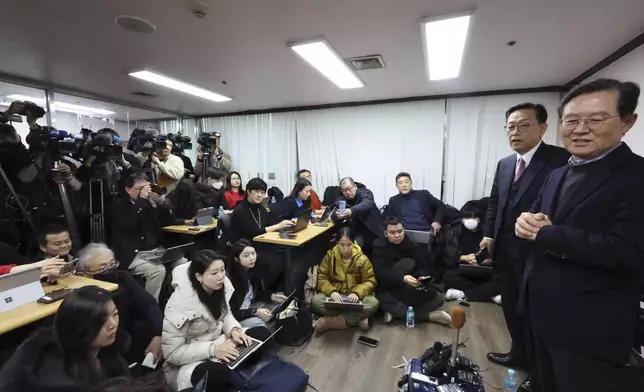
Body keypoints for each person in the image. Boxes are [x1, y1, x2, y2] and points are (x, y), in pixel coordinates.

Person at [515, 79, 644, 392]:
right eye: (571, 120)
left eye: (596, 119)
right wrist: (524, 222)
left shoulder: (636, 176)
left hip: (589, 326)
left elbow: (631, 253)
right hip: (540, 312)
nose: (580, 129)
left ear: (628, 122)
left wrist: (547, 234)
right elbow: (535, 216)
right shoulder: (558, 172)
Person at [481, 102, 569, 391]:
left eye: (523, 125)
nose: (515, 132)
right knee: (510, 306)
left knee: (535, 312)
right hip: (505, 249)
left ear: (543, 128)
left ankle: (539, 370)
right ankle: (518, 353)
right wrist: (489, 236)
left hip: (537, 252)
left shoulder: (560, 160)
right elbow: (495, 203)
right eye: (510, 126)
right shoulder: (505, 164)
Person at [162, 250, 270, 392]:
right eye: (214, 273)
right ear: (199, 276)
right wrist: (213, 350)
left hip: (220, 341)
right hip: (191, 360)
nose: (221, 277)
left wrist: (234, 330)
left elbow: (226, 315)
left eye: (222, 270)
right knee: (217, 375)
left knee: (262, 335)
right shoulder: (179, 304)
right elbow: (172, 354)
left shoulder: (220, 287)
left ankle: (238, 375)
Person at [0, 286, 130, 392]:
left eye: (115, 314)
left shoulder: (105, 347)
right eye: (101, 320)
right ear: (79, 327)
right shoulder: (56, 380)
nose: (113, 324)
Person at [76, 243, 163, 366]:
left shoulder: (122, 277)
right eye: (103, 268)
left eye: (112, 264)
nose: (110, 270)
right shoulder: (80, 296)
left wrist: (158, 334)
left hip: (128, 334)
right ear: (83, 274)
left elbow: (148, 304)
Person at [372, 217, 450, 326]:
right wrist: (402, 278)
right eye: (392, 232)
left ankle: (398, 313)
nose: (397, 235)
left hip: (409, 288)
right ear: (385, 233)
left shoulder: (410, 244)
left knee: (439, 298)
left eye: (400, 231)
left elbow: (422, 265)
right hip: (389, 288)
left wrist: (421, 278)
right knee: (382, 301)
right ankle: (430, 316)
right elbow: (380, 272)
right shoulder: (379, 246)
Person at [111, 173, 176, 301]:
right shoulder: (119, 205)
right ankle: (151, 307)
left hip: (157, 250)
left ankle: (174, 302)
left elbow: (169, 222)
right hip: (134, 254)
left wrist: (163, 203)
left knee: (183, 263)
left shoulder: (150, 204)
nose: (145, 192)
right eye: (140, 188)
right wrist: (141, 202)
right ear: (128, 189)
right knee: (158, 271)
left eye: (147, 188)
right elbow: (128, 224)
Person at [311, 227, 379, 333]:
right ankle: (356, 319)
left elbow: (370, 281)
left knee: (373, 303)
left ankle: (333, 321)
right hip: (336, 297)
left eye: (349, 245)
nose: (346, 249)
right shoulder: (330, 256)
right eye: (342, 245)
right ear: (337, 243)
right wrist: (331, 291)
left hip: (354, 299)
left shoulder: (362, 259)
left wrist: (357, 293)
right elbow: (322, 277)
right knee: (315, 300)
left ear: (354, 243)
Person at [231, 177, 294, 288]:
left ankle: (278, 290)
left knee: (286, 257)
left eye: (262, 193)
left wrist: (287, 225)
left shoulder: (262, 209)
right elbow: (251, 232)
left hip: (262, 245)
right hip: (246, 247)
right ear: (248, 192)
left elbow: (270, 224)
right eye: (256, 191)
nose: (259, 195)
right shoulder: (239, 210)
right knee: (274, 261)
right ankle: (265, 292)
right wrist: (277, 226)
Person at [439, 203, 501, 303]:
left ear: (479, 219)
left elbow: (496, 256)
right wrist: (464, 257)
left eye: (474, 217)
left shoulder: (487, 233)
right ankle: (490, 296)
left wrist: (487, 260)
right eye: (467, 217)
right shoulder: (454, 232)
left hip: (483, 270)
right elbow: (448, 256)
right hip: (463, 270)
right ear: (462, 220)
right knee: (447, 276)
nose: (471, 220)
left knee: (501, 281)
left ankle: (462, 294)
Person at [227, 239, 287, 329]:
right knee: (259, 324)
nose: (252, 258)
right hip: (238, 316)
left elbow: (257, 294)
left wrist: (271, 296)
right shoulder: (231, 280)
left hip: (251, 307)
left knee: (280, 302)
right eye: (246, 256)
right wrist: (255, 312)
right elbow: (231, 313)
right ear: (236, 259)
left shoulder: (253, 270)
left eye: (253, 253)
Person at [333, 177, 384, 250]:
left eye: (349, 188)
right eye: (344, 190)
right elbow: (335, 213)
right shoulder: (342, 200)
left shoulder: (365, 193)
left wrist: (352, 211)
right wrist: (337, 216)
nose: (347, 192)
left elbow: (367, 203)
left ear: (355, 186)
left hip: (373, 227)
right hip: (357, 231)